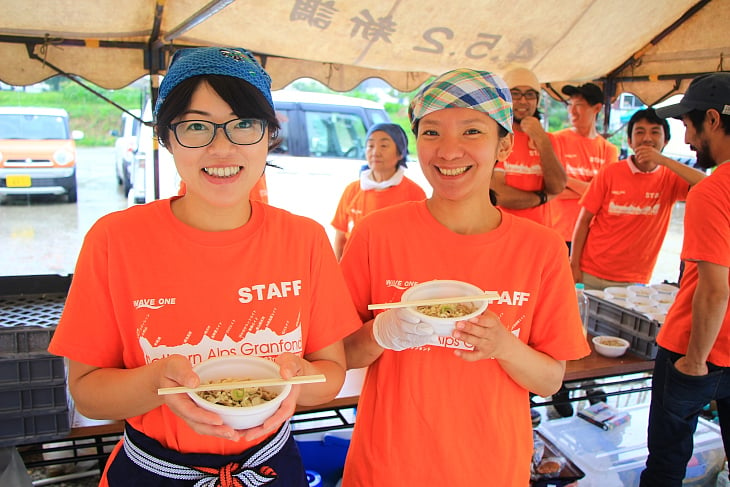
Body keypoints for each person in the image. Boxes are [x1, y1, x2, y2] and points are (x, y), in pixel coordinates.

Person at [48, 47, 361, 486]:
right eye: (196, 126)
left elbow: (330, 374)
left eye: (244, 124)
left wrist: (295, 383)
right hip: (152, 471)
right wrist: (158, 381)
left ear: (269, 134)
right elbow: (87, 394)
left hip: (271, 469)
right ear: (167, 136)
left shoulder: (303, 239)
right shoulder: (114, 239)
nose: (221, 147)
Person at [338, 68, 590, 486]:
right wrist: (382, 332)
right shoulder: (376, 233)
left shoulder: (541, 248)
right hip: (387, 465)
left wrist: (504, 345)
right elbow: (339, 355)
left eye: (472, 132)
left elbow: (549, 380)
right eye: (432, 133)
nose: (449, 152)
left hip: (490, 467)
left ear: (503, 145)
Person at [640, 72, 730, 486]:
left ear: (712, 120)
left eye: (687, 126)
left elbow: (713, 289)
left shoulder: (713, 193)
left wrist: (694, 361)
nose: (687, 140)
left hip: (694, 351)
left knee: (666, 461)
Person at [570, 108, 706, 289]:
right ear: (629, 141)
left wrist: (664, 161)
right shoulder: (610, 173)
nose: (647, 138)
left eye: (655, 132)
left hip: (634, 280)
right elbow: (584, 220)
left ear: (665, 141)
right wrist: (574, 264)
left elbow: (709, 185)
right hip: (590, 272)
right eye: (640, 132)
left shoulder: (671, 177)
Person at [331, 123, 426, 259]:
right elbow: (340, 237)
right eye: (370, 146)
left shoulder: (414, 194)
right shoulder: (352, 190)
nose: (375, 152)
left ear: (400, 153)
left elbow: (419, 242)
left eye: (384, 146)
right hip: (355, 271)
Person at [492, 67, 566, 226]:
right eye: (516, 94)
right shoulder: (496, 137)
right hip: (499, 232)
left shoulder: (548, 140)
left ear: (537, 101)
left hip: (538, 234)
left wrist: (542, 140)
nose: (523, 101)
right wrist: (542, 197)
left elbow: (558, 186)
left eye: (530, 94)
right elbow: (498, 194)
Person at [553, 82, 619, 249]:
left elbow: (605, 195)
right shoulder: (556, 141)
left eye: (579, 105)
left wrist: (565, 180)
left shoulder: (608, 150)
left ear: (596, 108)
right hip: (556, 232)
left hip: (591, 235)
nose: (572, 111)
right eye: (570, 105)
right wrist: (590, 189)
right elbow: (553, 190)